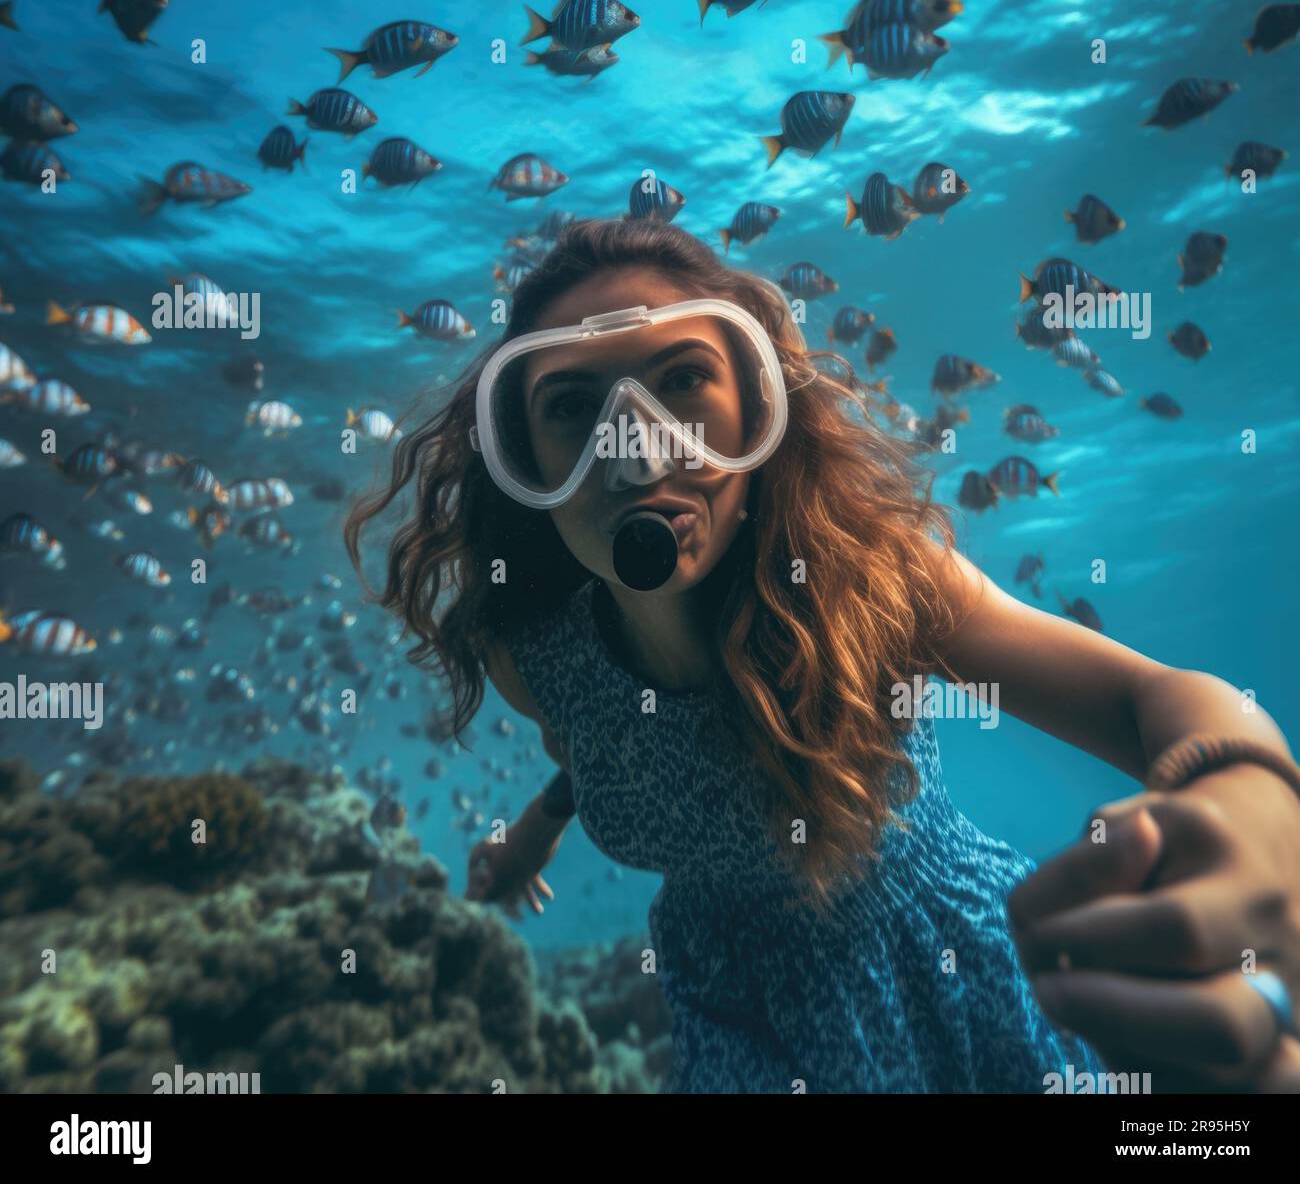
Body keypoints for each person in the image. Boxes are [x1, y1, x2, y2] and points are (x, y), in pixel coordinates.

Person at [346, 218, 1300, 1094]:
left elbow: (1146, 698)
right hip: (734, 1016)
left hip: (955, 969)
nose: (637, 454)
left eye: (681, 381)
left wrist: (1252, 795)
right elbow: (595, 757)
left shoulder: (873, 581)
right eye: (572, 408)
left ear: (758, 404)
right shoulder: (532, 658)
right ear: (529, 466)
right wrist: (532, 838)